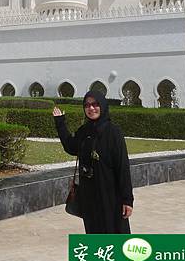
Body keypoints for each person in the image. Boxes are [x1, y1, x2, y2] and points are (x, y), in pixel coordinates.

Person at [53, 90, 133, 234]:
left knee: (115, 235)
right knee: (94, 235)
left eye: (95, 104)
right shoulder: (85, 131)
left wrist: (127, 200)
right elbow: (71, 147)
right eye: (87, 105)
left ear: (102, 105)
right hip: (89, 195)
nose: (91, 108)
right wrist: (60, 123)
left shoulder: (113, 132)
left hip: (110, 196)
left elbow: (122, 168)